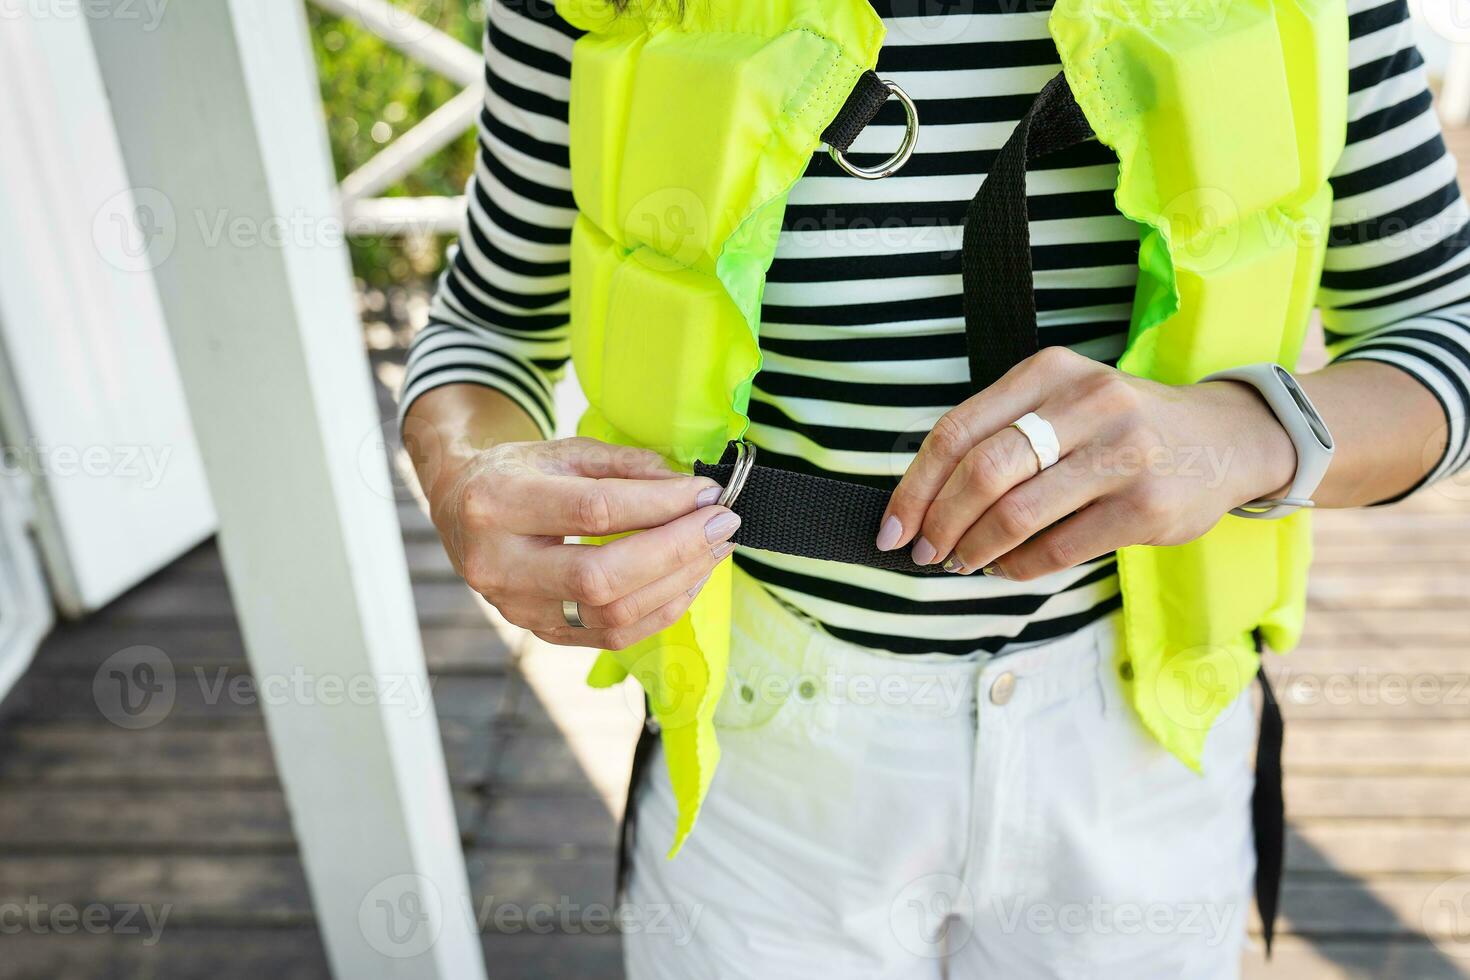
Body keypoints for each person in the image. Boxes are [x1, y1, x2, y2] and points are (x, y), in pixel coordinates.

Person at [402, 1, 1470, 975]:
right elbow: (487, 330)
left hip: (1147, 742)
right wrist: (467, 476)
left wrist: (1240, 434)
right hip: (760, 748)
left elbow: (1441, 333)